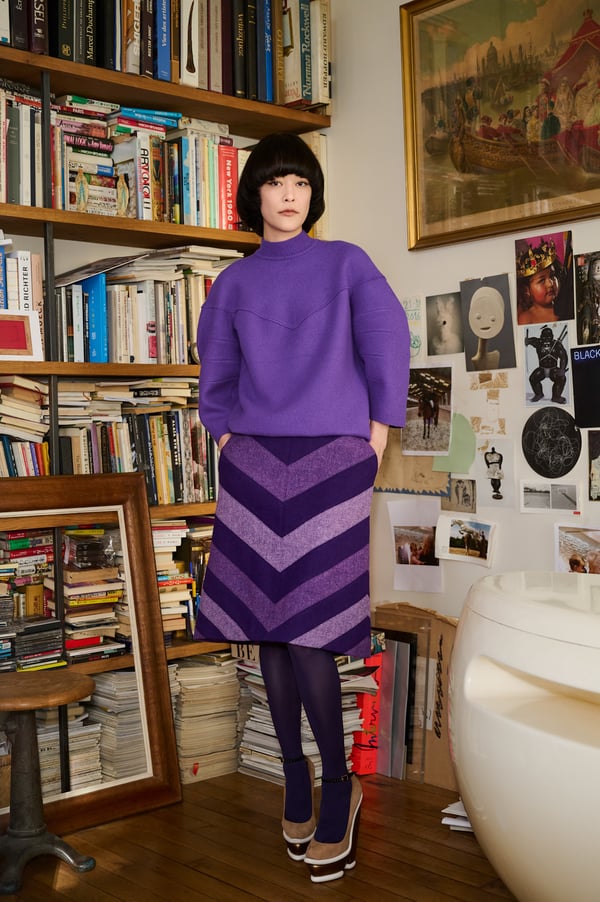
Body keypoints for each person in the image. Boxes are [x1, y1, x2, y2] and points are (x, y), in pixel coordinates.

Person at [193, 133, 410, 883]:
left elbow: (388, 346)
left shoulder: (347, 263)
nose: (289, 194)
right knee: (269, 631)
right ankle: (294, 774)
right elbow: (216, 376)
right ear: (253, 195)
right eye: (275, 182)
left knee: (313, 632)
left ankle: (339, 787)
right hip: (255, 465)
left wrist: (373, 443)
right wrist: (228, 440)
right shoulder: (232, 284)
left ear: (313, 195)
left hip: (332, 464)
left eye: (301, 182)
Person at [516, 238, 562, 325]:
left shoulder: (566, 308)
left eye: (552, 276)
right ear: (527, 290)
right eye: (541, 281)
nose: (550, 283)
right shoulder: (526, 319)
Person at [525, 325, 568, 403]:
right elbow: (531, 340)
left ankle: (556, 397)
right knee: (533, 378)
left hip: (553, 369)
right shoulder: (538, 342)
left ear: (552, 336)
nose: (546, 339)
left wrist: (562, 369)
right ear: (541, 336)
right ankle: (539, 394)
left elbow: (563, 357)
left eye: (548, 337)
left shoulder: (557, 344)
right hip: (542, 369)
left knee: (562, 378)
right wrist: (527, 341)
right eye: (544, 337)